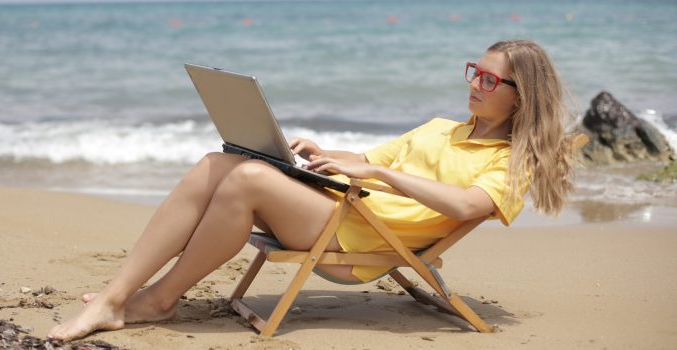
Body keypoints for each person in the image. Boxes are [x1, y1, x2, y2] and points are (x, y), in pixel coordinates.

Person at [48, 39, 575, 341]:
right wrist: (317, 153)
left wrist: (382, 177)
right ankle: (124, 294)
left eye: (488, 80)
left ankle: (153, 299)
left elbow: (465, 205)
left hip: (359, 245)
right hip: (337, 209)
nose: (474, 86)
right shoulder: (441, 128)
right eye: (473, 73)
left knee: (249, 179)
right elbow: (364, 162)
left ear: (521, 95)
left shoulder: (512, 162)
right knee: (219, 161)